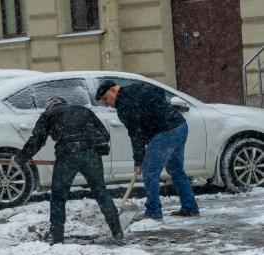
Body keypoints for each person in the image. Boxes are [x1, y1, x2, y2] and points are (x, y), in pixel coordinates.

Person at [10, 97, 124, 245]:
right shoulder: (83, 110)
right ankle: (117, 232)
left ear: (49, 106)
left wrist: (20, 158)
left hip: (67, 156)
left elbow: (37, 140)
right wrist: (88, 145)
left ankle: (57, 237)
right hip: (91, 155)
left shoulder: (48, 115)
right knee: (101, 192)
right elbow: (105, 135)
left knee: (58, 196)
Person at [95, 80, 199, 221]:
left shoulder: (124, 106)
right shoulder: (137, 88)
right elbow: (159, 92)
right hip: (179, 126)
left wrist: (139, 161)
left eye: (105, 99)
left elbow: (136, 134)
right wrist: (156, 112)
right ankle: (190, 208)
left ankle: (153, 211)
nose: (105, 103)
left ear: (113, 90)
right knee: (176, 170)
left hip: (165, 131)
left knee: (149, 172)